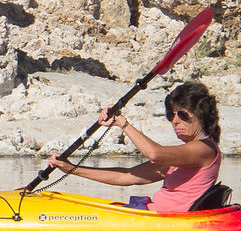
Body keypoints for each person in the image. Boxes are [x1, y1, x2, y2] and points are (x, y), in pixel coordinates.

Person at [47, 80, 222, 211]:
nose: (175, 121)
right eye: (171, 115)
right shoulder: (180, 157)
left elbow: (155, 153)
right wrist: (71, 168)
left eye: (182, 115)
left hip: (168, 223)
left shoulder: (204, 149)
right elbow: (126, 177)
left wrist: (122, 123)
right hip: (152, 215)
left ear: (201, 115)